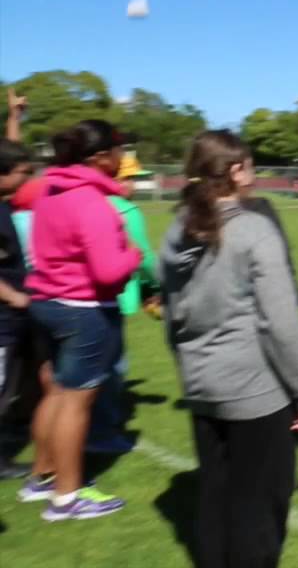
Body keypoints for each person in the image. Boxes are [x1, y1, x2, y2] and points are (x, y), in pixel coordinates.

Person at [161, 130, 298, 568]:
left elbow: (173, 318)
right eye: (249, 165)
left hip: (202, 385)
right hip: (255, 393)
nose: (255, 174)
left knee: (216, 490)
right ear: (234, 171)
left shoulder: (178, 225)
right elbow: (281, 324)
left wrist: (190, 367)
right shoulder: (252, 229)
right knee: (260, 502)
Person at [21, 120, 141, 520]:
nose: (123, 158)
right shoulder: (90, 201)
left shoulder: (50, 191)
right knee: (76, 401)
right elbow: (109, 272)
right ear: (100, 157)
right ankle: (67, 498)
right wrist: (135, 256)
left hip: (47, 302)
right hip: (83, 310)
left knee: (55, 392)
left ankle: (42, 478)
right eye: (119, 150)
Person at [84, 155, 161, 455]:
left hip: (76, 298)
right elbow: (143, 257)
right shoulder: (126, 210)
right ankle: (101, 432)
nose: (132, 185)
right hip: (111, 296)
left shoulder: (84, 202)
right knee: (113, 367)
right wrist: (155, 287)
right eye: (126, 178)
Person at [0, 137, 34, 480]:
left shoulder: (4, 205)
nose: (27, 178)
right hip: (3, 322)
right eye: (22, 172)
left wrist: (14, 121)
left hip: (13, 321)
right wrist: (14, 297)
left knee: (12, 386)